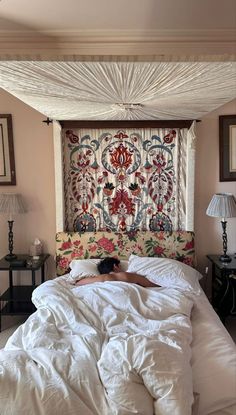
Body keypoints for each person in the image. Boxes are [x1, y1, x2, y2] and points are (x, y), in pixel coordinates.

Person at [75, 257, 160, 288]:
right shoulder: (126, 275)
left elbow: (78, 283)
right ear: (115, 266)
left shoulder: (100, 278)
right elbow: (151, 284)